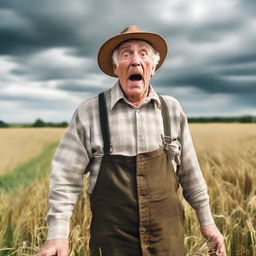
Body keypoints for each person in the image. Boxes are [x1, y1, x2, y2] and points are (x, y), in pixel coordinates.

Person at [37, 25, 225, 256]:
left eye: (143, 53)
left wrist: (207, 223)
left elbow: (190, 173)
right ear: (116, 68)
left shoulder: (172, 110)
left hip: (167, 243)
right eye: (126, 54)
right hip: (112, 245)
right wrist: (57, 235)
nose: (135, 61)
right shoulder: (90, 112)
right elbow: (65, 177)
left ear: (153, 67)